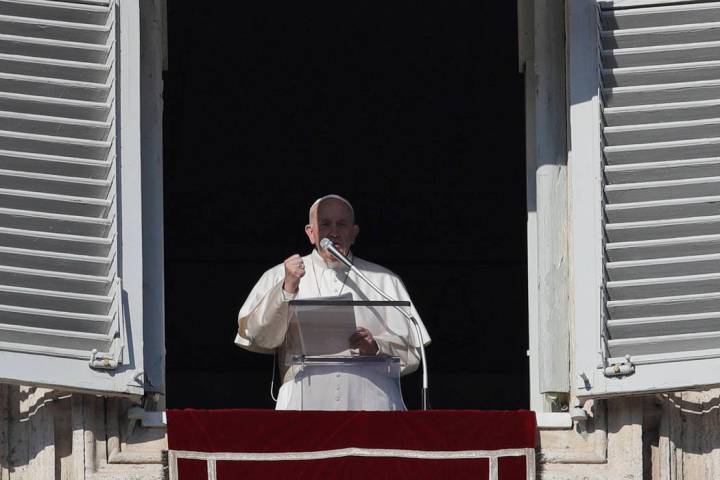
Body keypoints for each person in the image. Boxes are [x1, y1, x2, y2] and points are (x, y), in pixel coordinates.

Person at [235, 194, 430, 410]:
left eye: (342, 224)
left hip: (373, 406)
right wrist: (287, 288)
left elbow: (413, 355)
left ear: (354, 233)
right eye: (325, 224)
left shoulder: (383, 280)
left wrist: (376, 347)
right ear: (310, 232)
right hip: (304, 404)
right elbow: (260, 337)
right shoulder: (279, 276)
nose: (334, 232)